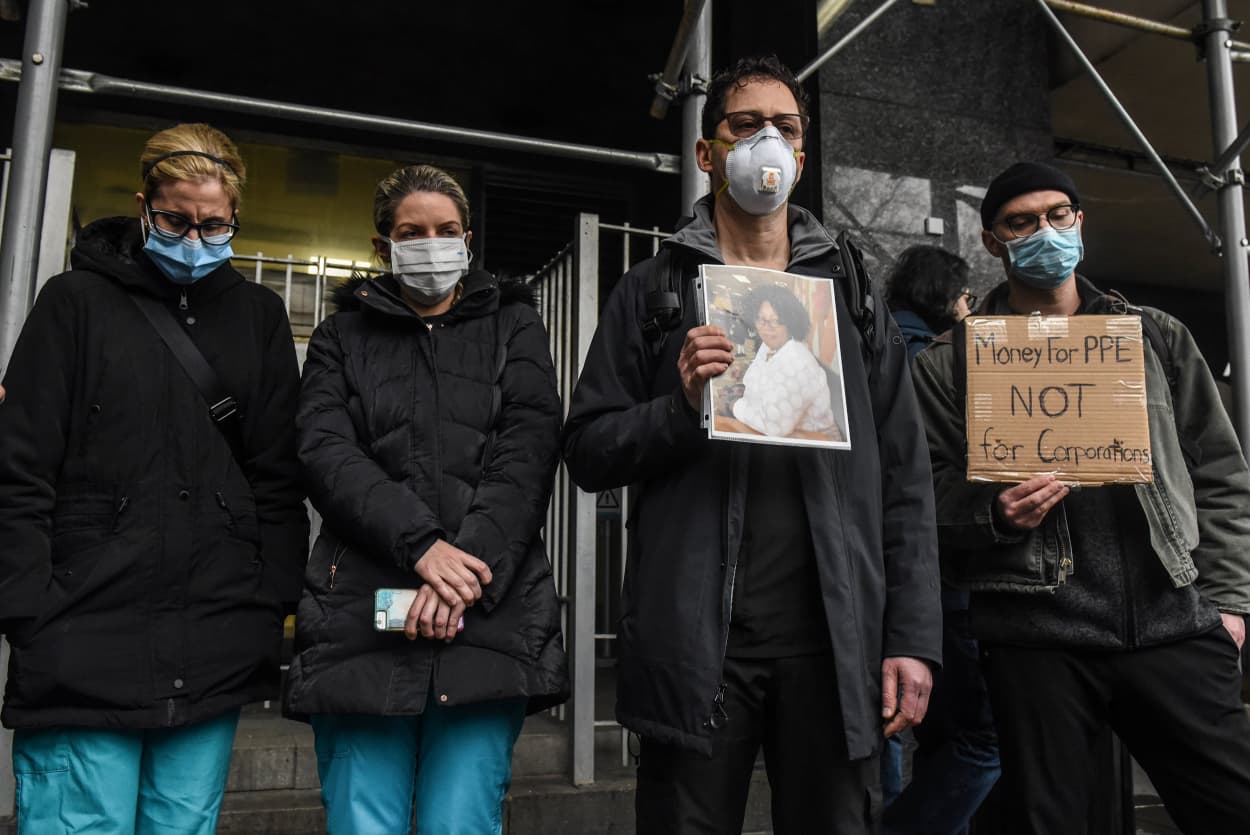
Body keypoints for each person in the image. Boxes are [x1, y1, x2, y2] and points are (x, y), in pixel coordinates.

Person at [562, 55, 942, 835]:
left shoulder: (852, 292)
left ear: (801, 159)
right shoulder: (656, 289)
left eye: (786, 127)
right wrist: (682, 406)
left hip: (835, 642)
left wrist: (910, 636)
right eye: (746, 125)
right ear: (707, 154)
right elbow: (589, 447)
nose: (767, 139)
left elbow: (906, 476)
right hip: (698, 644)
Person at [910, 160, 1250, 834]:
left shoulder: (1157, 335)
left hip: (1172, 624)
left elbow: (1219, 473)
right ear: (992, 242)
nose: (1045, 230)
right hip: (1037, 640)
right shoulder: (949, 362)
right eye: (1021, 222)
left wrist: (1231, 602)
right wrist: (993, 511)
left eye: (1057, 215)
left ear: (1080, 223)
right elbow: (920, 498)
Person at [0, 123, 308, 833]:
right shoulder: (73, 302)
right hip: (81, 639)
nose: (195, 238)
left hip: (214, 639)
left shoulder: (258, 316)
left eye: (214, 223)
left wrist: (267, 603)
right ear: (144, 205)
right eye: (175, 219)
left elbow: (276, 476)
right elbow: (20, 466)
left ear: (235, 216)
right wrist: (29, 608)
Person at [283, 164, 569, 835]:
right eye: (413, 232)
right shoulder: (338, 338)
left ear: (468, 239)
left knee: (461, 823)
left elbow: (526, 452)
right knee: (362, 822)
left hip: (486, 609)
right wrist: (422, 546)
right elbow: (326, 452)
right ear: (382, 246)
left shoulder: (515, 326)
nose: (431, 243)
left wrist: (461, 568)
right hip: (359, 615)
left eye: (446, 230)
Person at [880, 246, 999, 835]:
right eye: (964, 294)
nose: (969, 306)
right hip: (939, 576)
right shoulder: (928, 360)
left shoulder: (873, 342)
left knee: (913, 734)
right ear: (943, 295)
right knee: (981, 740)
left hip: (877, 572)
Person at [725, 284, 841, 441]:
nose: (766, 328)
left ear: (791, 323)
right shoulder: (769, 346)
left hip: (813, 444)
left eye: (775, 320)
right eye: (760, 319)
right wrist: (741, 388)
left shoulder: (798, 364)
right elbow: (761, 379)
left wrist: (733, 405)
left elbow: (773, 427)